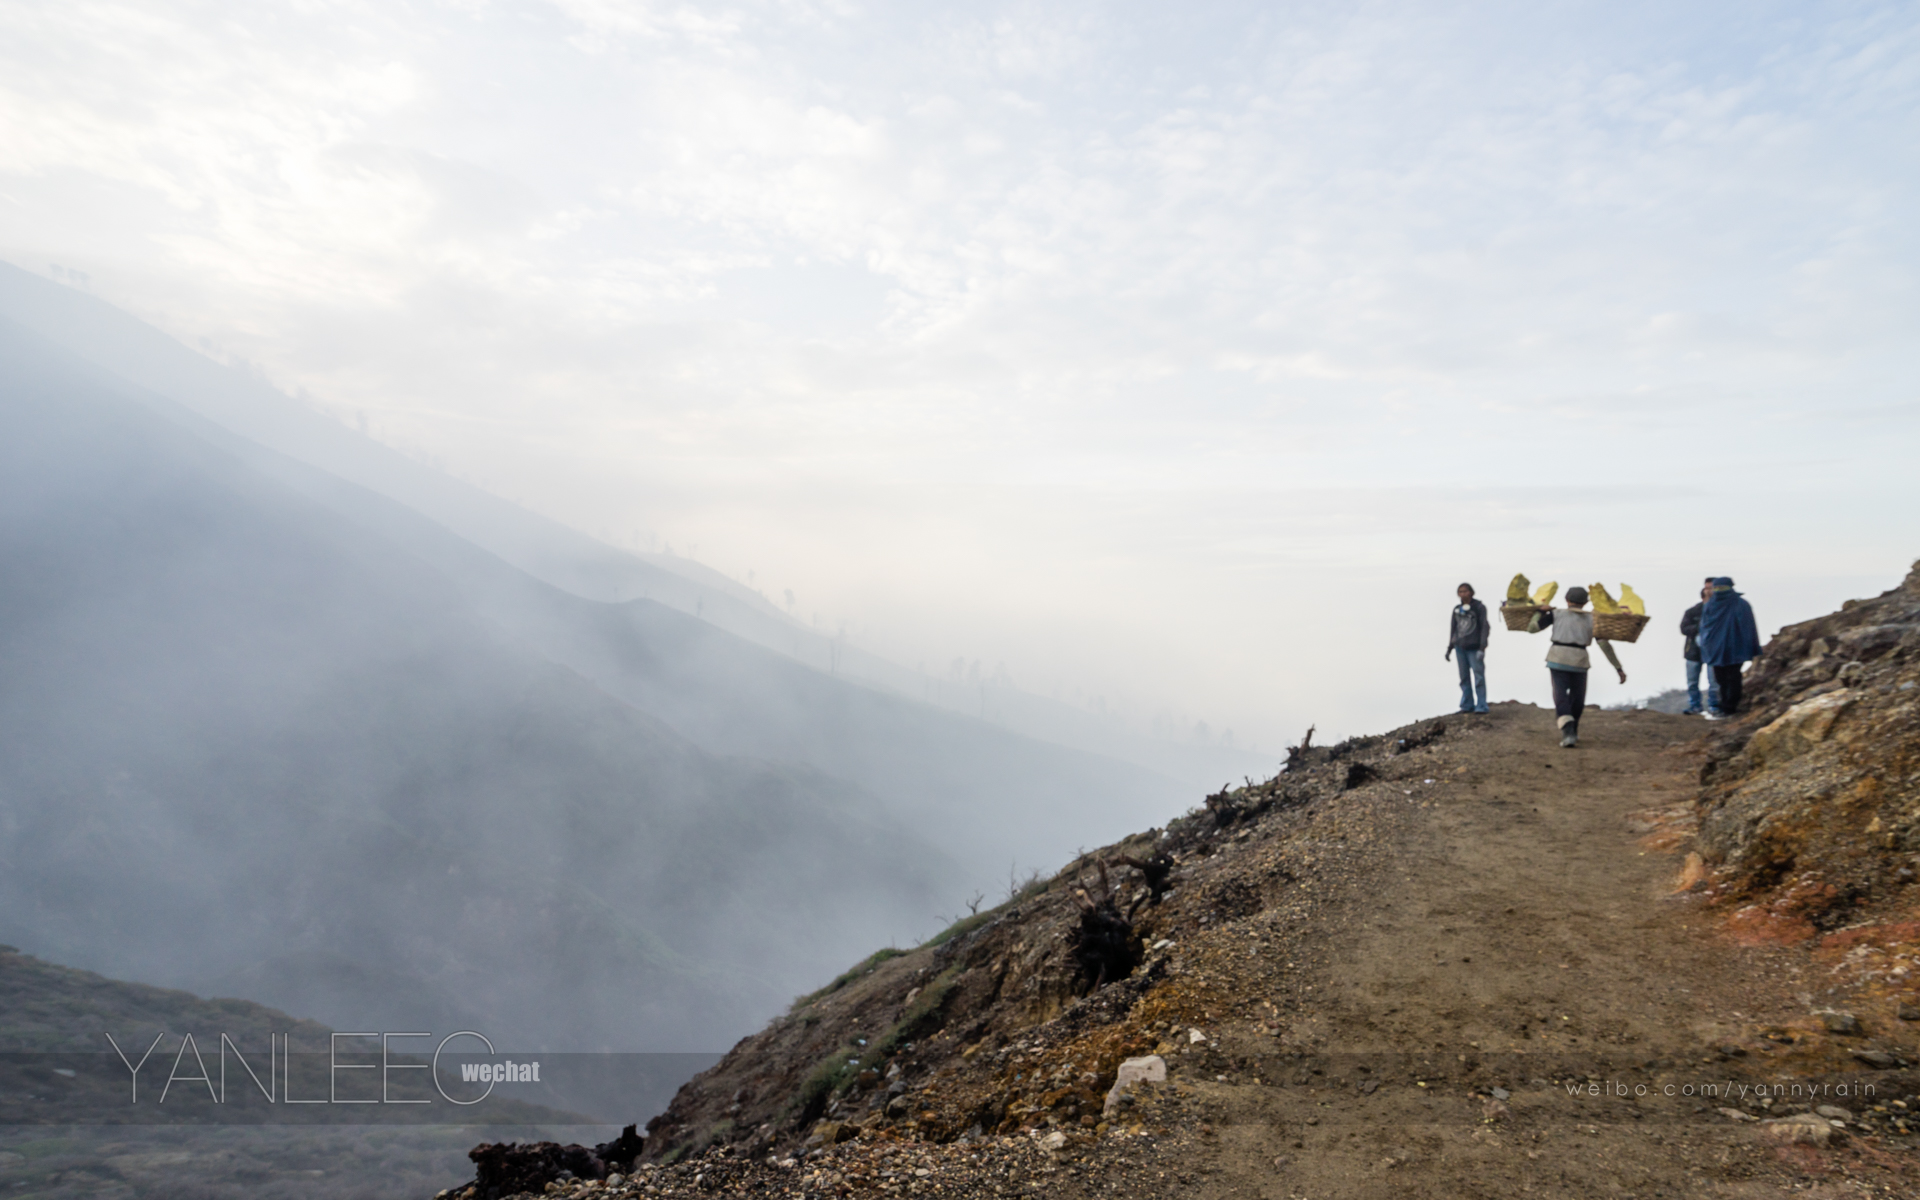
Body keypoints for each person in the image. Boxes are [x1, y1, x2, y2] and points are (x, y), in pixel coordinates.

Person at [1527, 586, 1626, 748]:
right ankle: (1573, 731)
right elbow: (1604, 645)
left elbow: (1532, 628)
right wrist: (1618, 668)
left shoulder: (1556, 614)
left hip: (1557, 658)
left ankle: (1568, 731)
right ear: (1586, 602)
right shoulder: (1593, 619)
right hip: (1579, 661)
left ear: (1567, 600)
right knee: (1578, 698)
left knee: (1560, 696)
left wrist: (1539, 611)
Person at [1697, 577, 1761, 720]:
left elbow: (1747, 628)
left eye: (1723, 588)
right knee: (1720, 679)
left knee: (1733, 677)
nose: (1719, 591)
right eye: (1717, 588)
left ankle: (1729, 708)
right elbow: (1705, 628)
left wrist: (1748, 647)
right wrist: (1707, 647)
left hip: (1735, 649)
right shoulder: (1710, 606)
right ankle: (1723, 706)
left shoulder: (1741, 605)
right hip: (1715, 650)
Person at [1446, 583, 1490, 714]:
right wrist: (1450, 648)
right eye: (1460, 592)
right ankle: (1467, 704)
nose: (1463, 594)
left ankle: (1481, 705)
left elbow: (1484, 627)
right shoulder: (1457, 609)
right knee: (1464, 678)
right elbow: (1454, 629)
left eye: (1465, 591)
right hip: (1460, 648)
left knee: (1479, 677)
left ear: (1471, 592)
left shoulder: (1479, 607)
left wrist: (1482, 647)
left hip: (1475, 648)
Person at [1678, 580, 1720, 715]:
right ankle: (1695, 706)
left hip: (1713, 651)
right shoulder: (1692, 612)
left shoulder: (1720, 611)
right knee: (1692, 681)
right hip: (1693, 652)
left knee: (1713, 681)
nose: (1709, 591)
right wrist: (1700, 628)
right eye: (1707, 589)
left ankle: (1714, 706)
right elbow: (1684, 628)